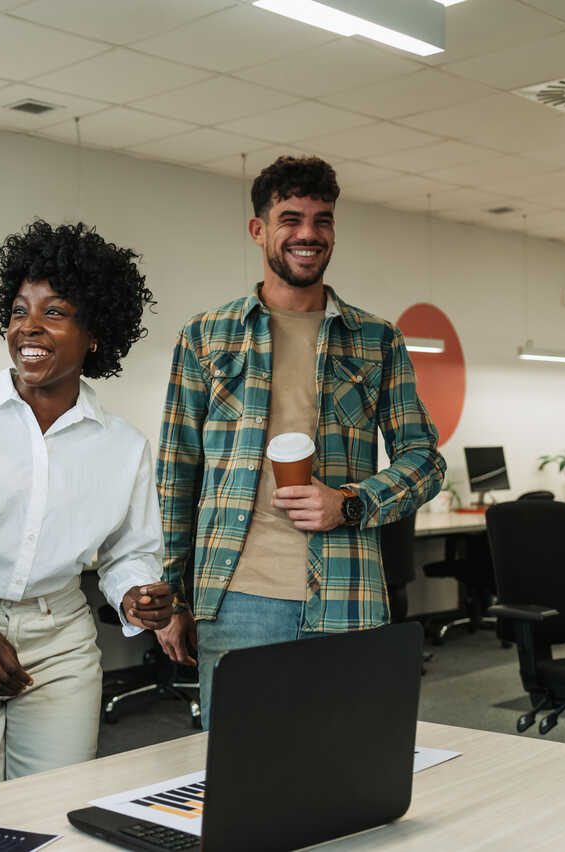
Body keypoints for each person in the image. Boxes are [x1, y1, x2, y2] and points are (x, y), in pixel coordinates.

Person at [155, 156, 445, 721]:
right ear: (258, 229)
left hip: (346, 593)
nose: (308, 234)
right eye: (291, 218)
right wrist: (173, 596)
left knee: (343, 771)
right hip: (236, 597)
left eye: (323, 219)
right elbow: (177, 472)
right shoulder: (205, 337)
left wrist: (352, 503)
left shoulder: (376, 339)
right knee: (242, 778)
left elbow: (425, 459)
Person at [0, 219, 172, 798]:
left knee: (52, 811)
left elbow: (129, 552)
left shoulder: (123, 446)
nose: (29, 328)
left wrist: (135, 592)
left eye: (55, 312)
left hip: (61, 644)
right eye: (19, 311)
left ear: (95, 333)